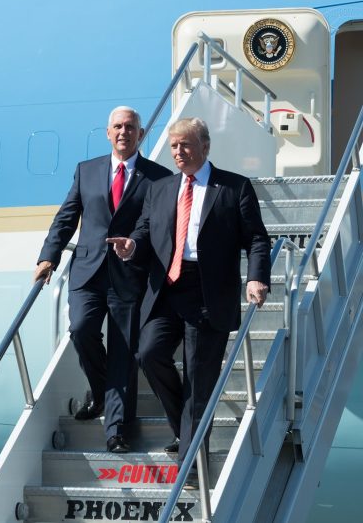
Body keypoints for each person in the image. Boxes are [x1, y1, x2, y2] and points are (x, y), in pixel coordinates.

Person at [107, 117, 270, 483]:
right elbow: (147, 230)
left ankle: (191, 465)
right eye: (174, 146)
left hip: (208, 291)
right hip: (167, 287)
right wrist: (133, 245)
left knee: (198, 378)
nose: (178, 152)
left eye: (185, 145)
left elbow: (257, 238)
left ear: (204, 147)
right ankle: (186, 427)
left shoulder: (234, 187)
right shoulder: (161, 188)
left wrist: (257, 276)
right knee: (148, 353)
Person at [34, 106, 171, 453]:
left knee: (124, 353)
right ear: (108, 133)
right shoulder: (87, 171)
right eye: (117, 127)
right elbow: (66, 216)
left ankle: (116, 430)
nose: (123, 132)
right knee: (81, 330)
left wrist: (134, 244)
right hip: (88, 271)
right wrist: (48, 256)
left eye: (130, 127)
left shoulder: (159, 177)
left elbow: (155, 223)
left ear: (141, 135)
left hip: (129, 275)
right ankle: (100, 393)